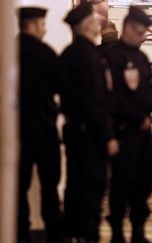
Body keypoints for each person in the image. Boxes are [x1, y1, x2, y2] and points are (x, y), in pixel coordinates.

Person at [60, 3, 119, 242]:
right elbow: (95, 101)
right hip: (90, 134)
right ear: (86, 26)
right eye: (95, 21)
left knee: (74, 185)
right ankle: (88, 234)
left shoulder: (68, 54)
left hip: (74, 129)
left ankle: (73, 233)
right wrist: (107, 136)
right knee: (92, 187)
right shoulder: (90, 57)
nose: (98, 25)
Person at [104, 6, 152, 243]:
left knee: (143, 181)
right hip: (123, 129)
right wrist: (139, 116)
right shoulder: (114, 58)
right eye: (139, 32)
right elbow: (113, 97)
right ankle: (117, 232)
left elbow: (146, 90)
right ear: (127, 28)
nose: (142, 37)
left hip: (143, 132)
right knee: (121, 182)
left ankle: (138, 231)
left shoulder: (142, 57)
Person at [17, 7, 63, 243]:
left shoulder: (8, 50)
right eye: (42, 24)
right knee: (49, 187)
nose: (44, 29)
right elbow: (59, 85)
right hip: (44, 128)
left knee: (19, 187)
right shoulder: (45, 53)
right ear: (33, 25)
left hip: (18, 131)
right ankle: (54, 234)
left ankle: (20, 234)